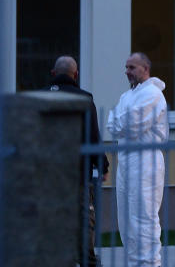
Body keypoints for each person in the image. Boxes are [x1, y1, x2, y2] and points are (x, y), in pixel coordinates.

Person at [106, 52, 169, 267]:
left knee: (143, 217)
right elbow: (112, 125)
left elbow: (130, 124)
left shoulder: (152, 94)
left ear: (145, 69)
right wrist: (121, 121)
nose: (127, 72)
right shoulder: (127, 96)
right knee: (127, 219)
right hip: (126, 161)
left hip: (146, 162)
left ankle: (150, 264)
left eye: (132, 67)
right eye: (126, 67)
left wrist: (121, 120)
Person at [48, 55, 109, 267]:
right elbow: (93, 135)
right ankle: (87, 260)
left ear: (53, 74)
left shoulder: (41, 98)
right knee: (84, 217)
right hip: (78, 169)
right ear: (76, 74)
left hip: (48, 172)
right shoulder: (84, 99)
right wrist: (103, 165)